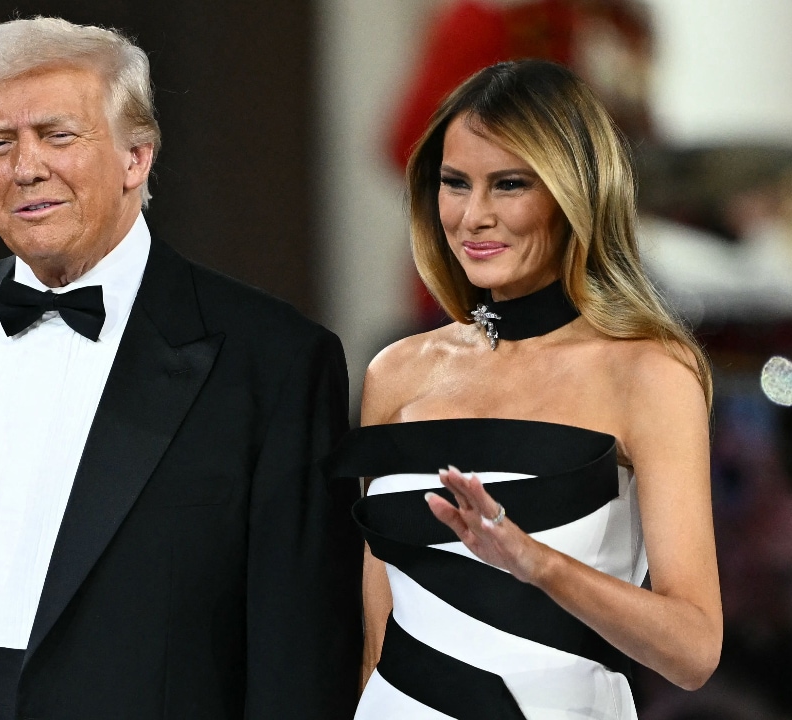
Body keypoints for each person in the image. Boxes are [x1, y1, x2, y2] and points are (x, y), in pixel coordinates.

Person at [0, 16, 361, 720]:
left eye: (58, 136)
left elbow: (299, 653)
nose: (26, 167)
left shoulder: (274, 361)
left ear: (137, 157)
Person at [323, 60, 721, 719]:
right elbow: (377, 640)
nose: (474, 216)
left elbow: (694, 650)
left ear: (574, 194)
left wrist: (536, 563)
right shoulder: (396, 372)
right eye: (455, 184)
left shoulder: (650, 372)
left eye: (509, 185)